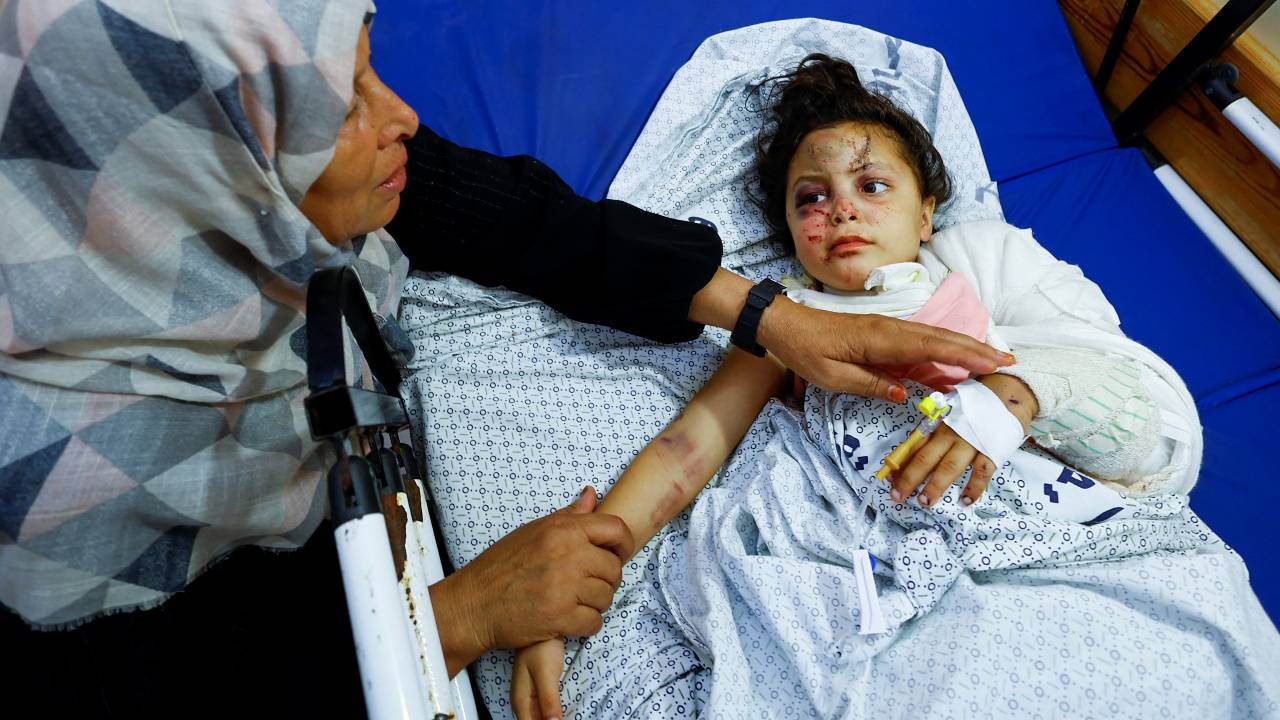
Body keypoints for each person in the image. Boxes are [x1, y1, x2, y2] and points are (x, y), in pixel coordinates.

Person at [0, 4, 1010, 714]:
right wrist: (447, 616)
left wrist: (769, 316)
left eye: (369, 59)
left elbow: (511, 216)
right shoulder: (37, 468)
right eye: (340, 103)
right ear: (189, 155)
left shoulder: (189, 197)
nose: (398, 115)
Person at [508, 54, 1208, 719]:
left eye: (872, 186)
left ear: (927, 213)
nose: (840, 209)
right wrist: (579, 579)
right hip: (857, 555)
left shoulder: (978, 264)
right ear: (788, 230)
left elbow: (1140, 411)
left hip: (1020, 519)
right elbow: (688, 450)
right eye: (812, 197)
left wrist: (1008, 400)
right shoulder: (787, 315)